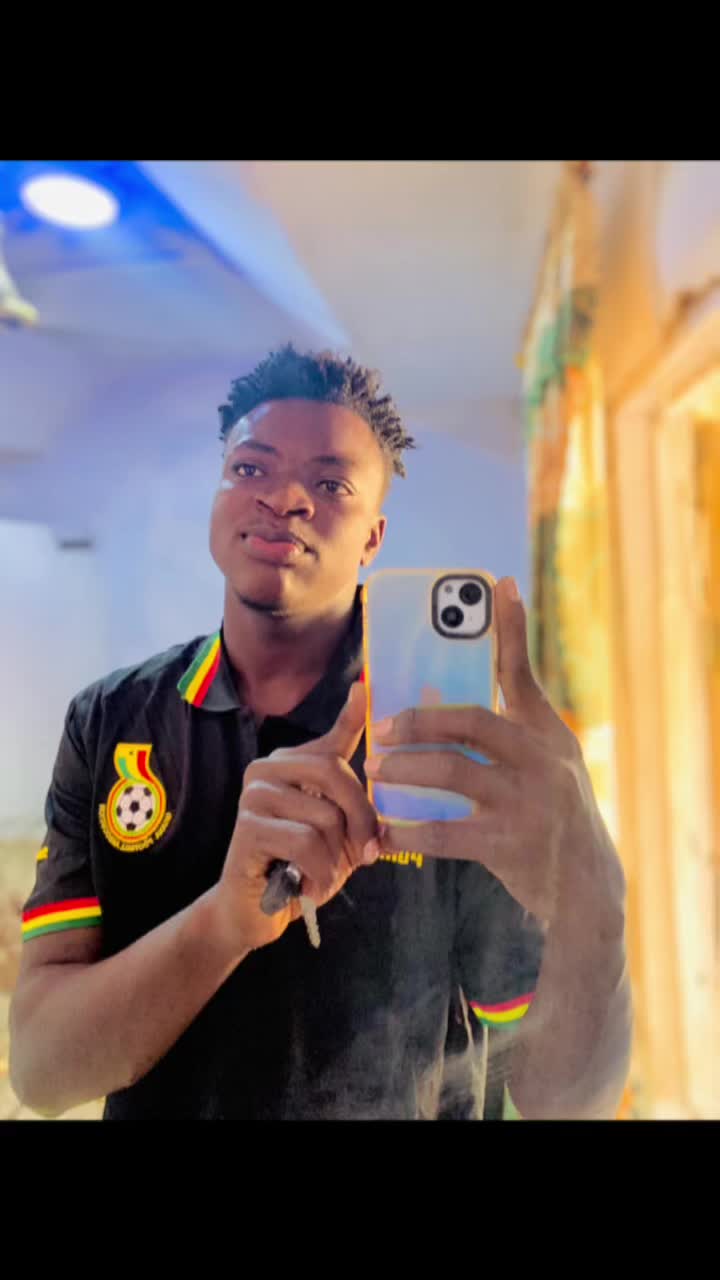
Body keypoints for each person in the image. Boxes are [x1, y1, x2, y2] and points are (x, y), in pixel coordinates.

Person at [9, 345, 632, 1120]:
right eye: (251, 468)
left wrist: (597, 913)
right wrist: (225, 924)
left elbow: (564, 1103)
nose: (285, 498)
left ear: (373, 538)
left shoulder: (456, 754)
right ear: (218, 497)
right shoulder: (109, 721)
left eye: (331, 484)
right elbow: (41, 1072)